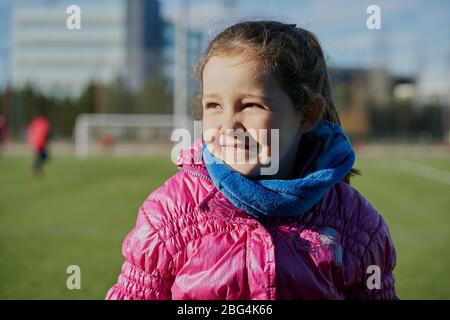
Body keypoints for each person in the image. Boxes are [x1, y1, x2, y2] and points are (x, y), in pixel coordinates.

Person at [106, 21, 397, 300]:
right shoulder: (167, 215)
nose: (229, 126)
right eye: (214, 106)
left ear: (308, 113)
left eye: (250, 105)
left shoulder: (357, 226)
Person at [28, 112, 51, 177]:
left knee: (42, 156)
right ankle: (35, 168)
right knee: (44, 156)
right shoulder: (45, 123)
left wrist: (31, 140)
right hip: (40, 142)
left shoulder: (35, 122)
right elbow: (47, 134)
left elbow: (31, 130)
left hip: (36, 142)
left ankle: (36, 169)